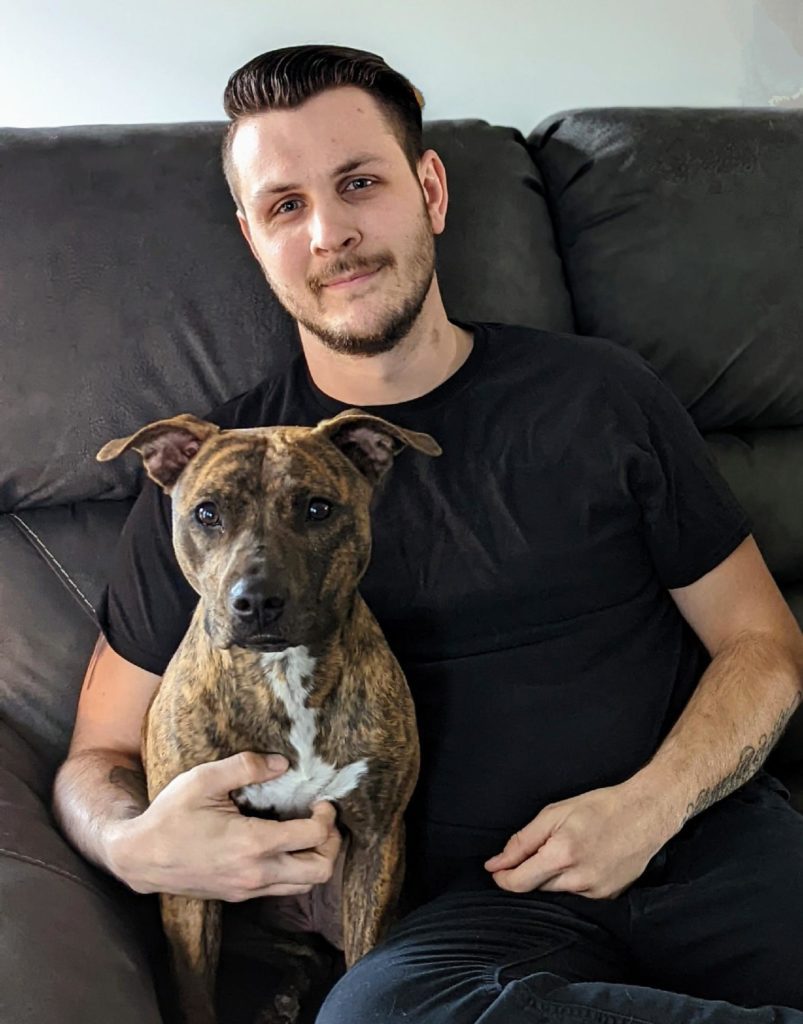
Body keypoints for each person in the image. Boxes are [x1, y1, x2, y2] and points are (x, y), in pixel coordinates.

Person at [52, 44, 803, 1024]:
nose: (330, 231)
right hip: (466, 909)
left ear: (430, 190)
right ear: (252, 236)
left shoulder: (599, 395)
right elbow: (94, 754)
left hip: (701, 837)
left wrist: (653, 802)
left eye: (358, 182)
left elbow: (764, 643)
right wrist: (131, 842)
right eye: (285, 205)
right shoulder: (213, 485)